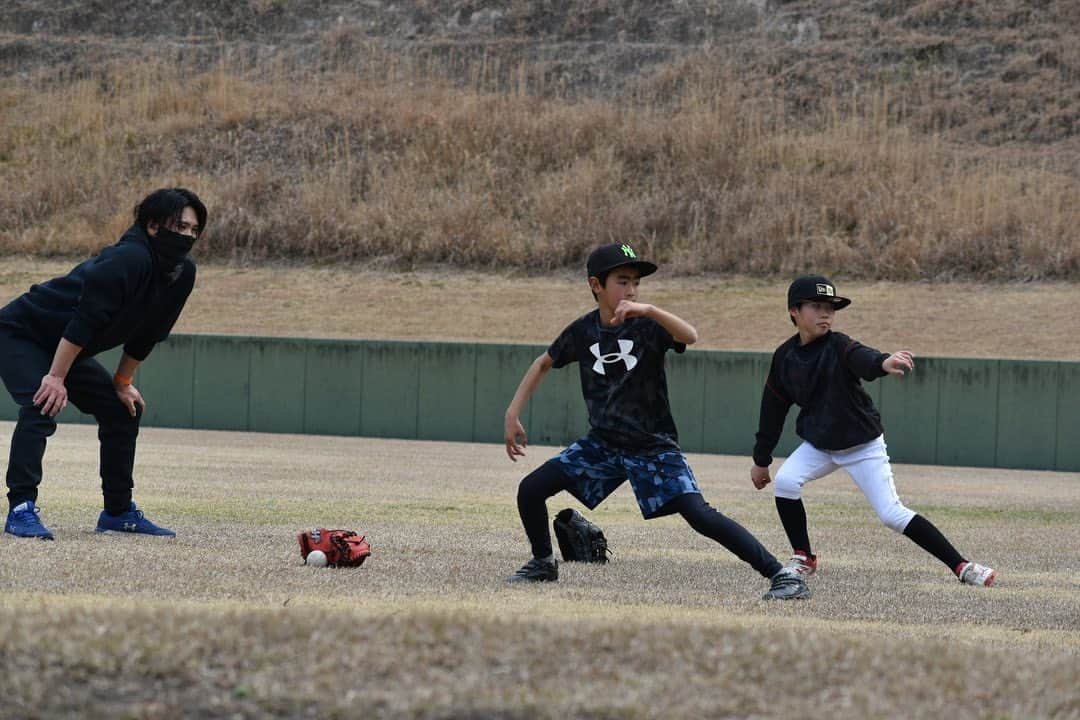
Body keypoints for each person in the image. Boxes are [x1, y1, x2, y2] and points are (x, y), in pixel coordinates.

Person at [503, 242, 810, 600]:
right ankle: (543, 562)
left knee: (699, 514)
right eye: (622, 281)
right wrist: (512, 412)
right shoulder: (582, 331)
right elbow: (543, 362)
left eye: (636, 282)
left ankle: (781, 576)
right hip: (603, 444)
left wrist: (648, 310)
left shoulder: (648, 325)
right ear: (595, 285)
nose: (631, 290)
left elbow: (689, 335)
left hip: (652, 447)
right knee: (531, 489)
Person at [749, 274, 996, 587]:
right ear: (794, 311)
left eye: (830, 307)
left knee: (891, 514)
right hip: (821, 445)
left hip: (862, 445)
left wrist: (883, 362)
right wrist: (761, 459)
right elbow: (772, 410)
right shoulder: (784, 357)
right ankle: (804, 557)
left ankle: (963, 566)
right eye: (816, 306)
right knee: (785, 482)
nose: (825, 313)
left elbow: (862, 357)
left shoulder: (838, 345)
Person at [0, 187, 206, 540]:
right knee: (42, 403)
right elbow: (84, 322)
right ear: (153, 226)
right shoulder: (128, 260)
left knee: (122, 409)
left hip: (65, 346)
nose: (187, 236)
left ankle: (117, 512)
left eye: (193, 230)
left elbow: (147, 334)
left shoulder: (180, 274)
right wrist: (54, 377)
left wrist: (123, 383)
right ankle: (21, 509)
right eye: (180, 226)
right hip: (21, 333)